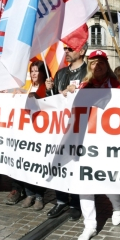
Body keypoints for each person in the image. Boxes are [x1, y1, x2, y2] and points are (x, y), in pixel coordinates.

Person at [74, 50, 120, 240]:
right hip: (85, 142)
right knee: (83, 183)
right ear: (89, 66)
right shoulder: (83, 85)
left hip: (107, 142)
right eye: (94, 63)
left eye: (101, 62)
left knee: (107, 178)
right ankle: (90, 225)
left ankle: (117, 206)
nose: (98, 66)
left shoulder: (116, 85)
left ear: (107, 64)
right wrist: (67, 94)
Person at [43, 44, 89, 219]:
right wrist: (50, 90)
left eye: (70, 48)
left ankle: (76, 203)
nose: (67, 52)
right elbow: (53, 103)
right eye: (65, 49)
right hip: (61, 128)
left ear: (82, 50)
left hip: (81, 128)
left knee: (76, 165)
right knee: (59, 163)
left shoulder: (89, 73)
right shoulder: (61, 74)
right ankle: (61, 201)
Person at [20, 61, 47, 210]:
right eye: (32, 71)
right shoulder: (28, 87)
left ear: (43, 73)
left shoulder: (45, 88)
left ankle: (39, 196)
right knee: (26, 164)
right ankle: (29, 193)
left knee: (37, 165)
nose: (34, 74)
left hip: (40, 133)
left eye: (37, 71)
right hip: (26, 132)